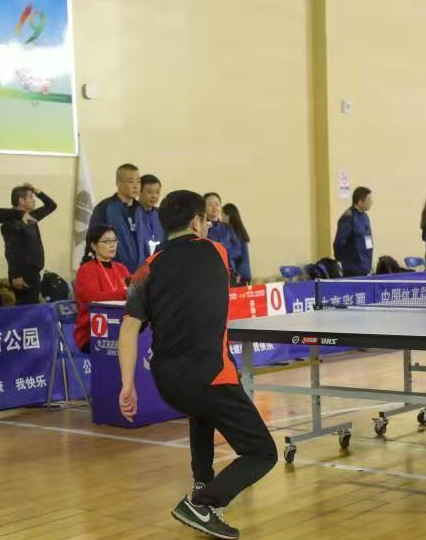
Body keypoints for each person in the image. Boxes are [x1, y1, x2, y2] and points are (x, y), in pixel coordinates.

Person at [119, 190, 277, 539]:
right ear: (196, 222)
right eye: (204, 220)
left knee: (201, 411)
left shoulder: (146, 269)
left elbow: (129, 327)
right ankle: (202, 503)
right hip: (212, 375)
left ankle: (201, 483)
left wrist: (127, 384)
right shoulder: (217, 251)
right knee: (262, 453)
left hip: (167, 380)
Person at [74, 225, 130, 353]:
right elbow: (93, 298)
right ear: (94, 246)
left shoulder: (121, 268)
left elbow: (136, 289)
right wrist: (125, 293)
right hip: (93, 331)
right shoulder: (86, 270)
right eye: (107, 241)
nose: (112, 245)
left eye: (114, 240)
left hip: (120, 326)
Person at [1, 183, 57, 305]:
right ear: (21, 201)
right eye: (31, 197)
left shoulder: (30, 217)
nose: (34, 200)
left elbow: (51, 206)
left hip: (34, 273)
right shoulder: (10, 222)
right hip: (22, 277)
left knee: (33, 307)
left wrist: (38, 192)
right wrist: (16, 276)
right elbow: (11, 251)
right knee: (26, 311)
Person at [90, 163, 148, 272]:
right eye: (131, 181)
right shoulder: (105, 208)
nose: (136, 186)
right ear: (118, 183)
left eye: (138, 181)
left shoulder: (140, 209)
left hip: (140, 273)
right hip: (113, 271)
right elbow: (93, 241)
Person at [333, 187, 374, 276]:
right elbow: (339, 243)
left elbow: (368, 240)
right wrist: (342, 263)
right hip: (352, 269)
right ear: (360, 202)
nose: (371, 202)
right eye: (368, 199)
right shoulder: (348, 218)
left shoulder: (365, 217)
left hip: (365, 266)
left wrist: (368, 264)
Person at [204, 193, 243, 280]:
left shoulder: (227, 227)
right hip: (210, 272)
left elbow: (238, 249)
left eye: (217, 204)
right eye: (210, 204)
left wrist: (224, 253)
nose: (214, 207)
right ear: (204, 207)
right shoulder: (201, 228)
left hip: (230, 271)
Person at [222, 203, 252, 285]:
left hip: (239, 274)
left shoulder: (232, 231)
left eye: (222, 214)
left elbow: (236, 253)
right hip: (245, 273)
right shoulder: (239, 229)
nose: (221, 218)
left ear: (228, 215)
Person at [139, 174, 166, 257]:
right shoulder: (132, 214)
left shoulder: (162, 214)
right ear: (139, 192)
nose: (154, 196)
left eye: (157, 192)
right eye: (149, 192)